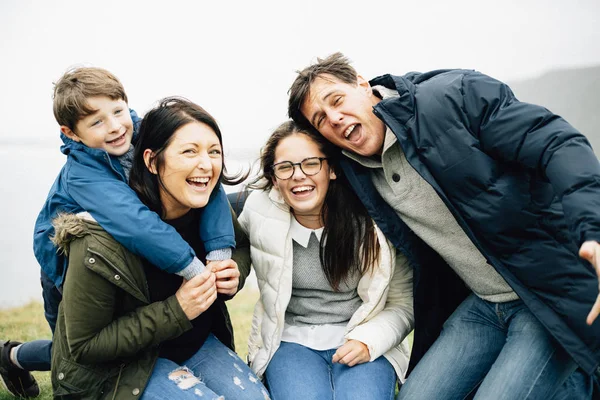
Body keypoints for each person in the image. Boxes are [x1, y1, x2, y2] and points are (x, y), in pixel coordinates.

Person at [287, 53, 600, 399]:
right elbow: (286, 185)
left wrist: (594, 231)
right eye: (320, 120)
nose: (334, 118)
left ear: (362, 83)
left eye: (337, 100)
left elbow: (556, 144)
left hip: (545, 292)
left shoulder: (454, 97)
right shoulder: (351, 168)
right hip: (482, 304)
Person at [0, 68, 236, 398]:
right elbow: (137, 224)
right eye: (96, 122)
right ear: (72, 133)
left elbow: (211, 189)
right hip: (66, 264)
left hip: (116, 258)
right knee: (74, 354)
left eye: (118, 111)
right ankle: (10, 356)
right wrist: (196, 270)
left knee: (103, 339)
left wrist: (219, 253)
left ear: (127, 104)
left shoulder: (145, 134)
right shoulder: (83, 174)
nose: (114, 127)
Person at [49, 97, 269, 399]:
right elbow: (86, 345)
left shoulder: (205, 206)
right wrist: (177, 309)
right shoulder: (97, 238)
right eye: (189, 151)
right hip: (120, 368)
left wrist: (234, 272)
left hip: (193, 344)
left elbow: (240, 245)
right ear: (152, 161)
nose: (206, 164)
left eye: (214, 151)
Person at [238, 121, 414, 400]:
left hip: (361, 335)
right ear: (274, 178)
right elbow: (217, 225)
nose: (298, 175)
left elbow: (402, 304)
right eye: (285, 167)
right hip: (290, 341)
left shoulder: (374, 222)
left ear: (331, 169)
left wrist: (369, 341)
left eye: (311, 163)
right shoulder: (259, 213)